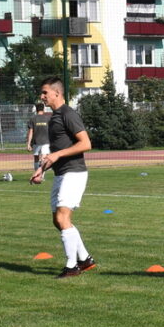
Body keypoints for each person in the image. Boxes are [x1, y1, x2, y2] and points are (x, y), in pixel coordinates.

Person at [29, 77, 96, 278]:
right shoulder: (54, 117)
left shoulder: (68, 114)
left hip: (74, 172)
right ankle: (84, 259)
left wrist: (57, 155)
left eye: (44, 93)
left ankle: (71, 266)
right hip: (60, 173)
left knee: (62, 216)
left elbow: (85, 143)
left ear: (57, 93)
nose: (42, 97)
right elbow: (56, 150)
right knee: (57, 221)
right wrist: (42, 169)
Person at [26, 101, 52, 172]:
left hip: (36, 142)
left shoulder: (33, 119)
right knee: (44, 158)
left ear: (36, 109)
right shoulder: (48, 119)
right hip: (46, 142)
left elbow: (30, 132)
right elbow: (51, 131)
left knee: (36, 158)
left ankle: (36, 174)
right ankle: (41, 175)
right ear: (43, 109)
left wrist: (28, 144)